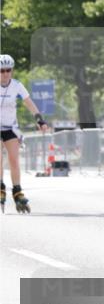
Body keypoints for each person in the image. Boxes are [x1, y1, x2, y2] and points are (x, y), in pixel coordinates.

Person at [0, 54, 49, 213]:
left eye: (8, 70)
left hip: (11, 127)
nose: (5, 73)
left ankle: (17, 191)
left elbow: (29, 102)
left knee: (14, 160)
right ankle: (0, 186)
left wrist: (39, 119)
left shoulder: (16, 85)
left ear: (12, 70)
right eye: (2, 71)